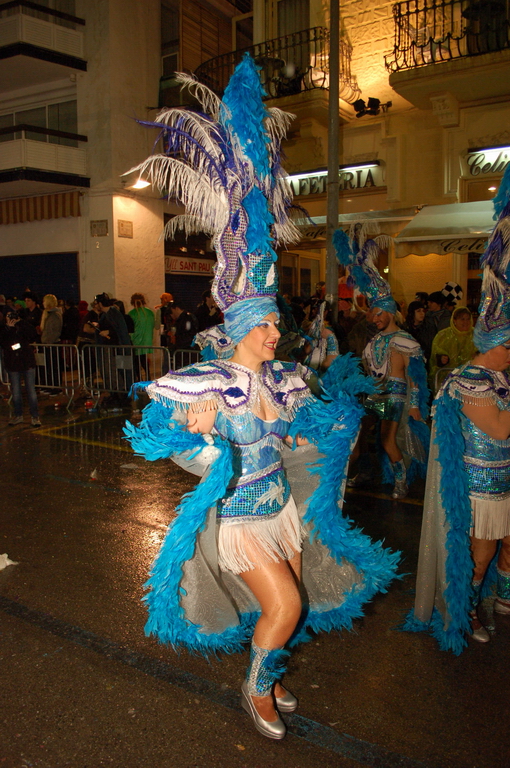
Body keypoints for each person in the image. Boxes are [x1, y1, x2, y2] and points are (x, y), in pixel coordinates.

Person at [125, 55, 400, 740]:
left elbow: (298, 432)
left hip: (282, 511)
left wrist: (315, 435)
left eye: (278, 322)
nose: (280, 331)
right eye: (270, 324)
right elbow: (165, 437)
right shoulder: (211, 380)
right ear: (243, 328)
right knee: (284, 609)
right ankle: (256, 690)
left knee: (291, 607)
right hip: (243, 525)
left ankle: (269, 673)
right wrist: (197, 437)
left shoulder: (281, 379)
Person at [404, 168, 510, 653]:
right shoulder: (471, 380)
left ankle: (499, 601)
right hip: (482, 486)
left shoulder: (499, 376)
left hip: (504, 480)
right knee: (479, 556)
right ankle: (463, 612)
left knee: (499, 553)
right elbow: (500, 430)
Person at [335, 228, 430, 499]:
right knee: (356, 433)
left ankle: (401, 480)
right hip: (374, 395)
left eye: (378, 314)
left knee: (388, 440)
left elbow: (416, 375)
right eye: (371, 314)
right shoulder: (372, 341)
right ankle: (359, 472)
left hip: (394, 396)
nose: (373, 318)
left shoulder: (404, 340)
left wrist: (414, 406)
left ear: (389, 312)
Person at [0, 310, 41, 426]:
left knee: (31, 391)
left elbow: (32, 335)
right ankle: (18, 415)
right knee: (16, 392)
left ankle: (35, 416)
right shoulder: (4, 329)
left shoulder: (24, 325)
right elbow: (4, 343)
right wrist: (9, 328)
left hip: (26, 362)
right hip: (13, 363)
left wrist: (21, 322)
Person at [429, 306, 477, 392]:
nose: (466, 322)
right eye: (462, 319)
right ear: (454, 320)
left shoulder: (477, 335)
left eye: (467, 319)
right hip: (448, 379)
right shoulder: (443, 335)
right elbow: (435, 355)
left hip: (472, 379)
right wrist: (442, 359)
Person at [128, 293, 155, 381]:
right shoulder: (150, 312)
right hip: (147, 341)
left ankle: (139, 379)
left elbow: (129, 328)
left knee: (136, 362)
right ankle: (148, 377)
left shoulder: (132, 313)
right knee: (143, 360)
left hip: (135, 341)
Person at [40, 293, 62, 391]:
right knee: (48, 367)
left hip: (52, 344)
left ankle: (55, 387)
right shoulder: (48, 314)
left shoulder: (55, 315)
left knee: (54, 367)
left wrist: (49, 341)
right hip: (47, 343)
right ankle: (49, 385)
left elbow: (55, 331)